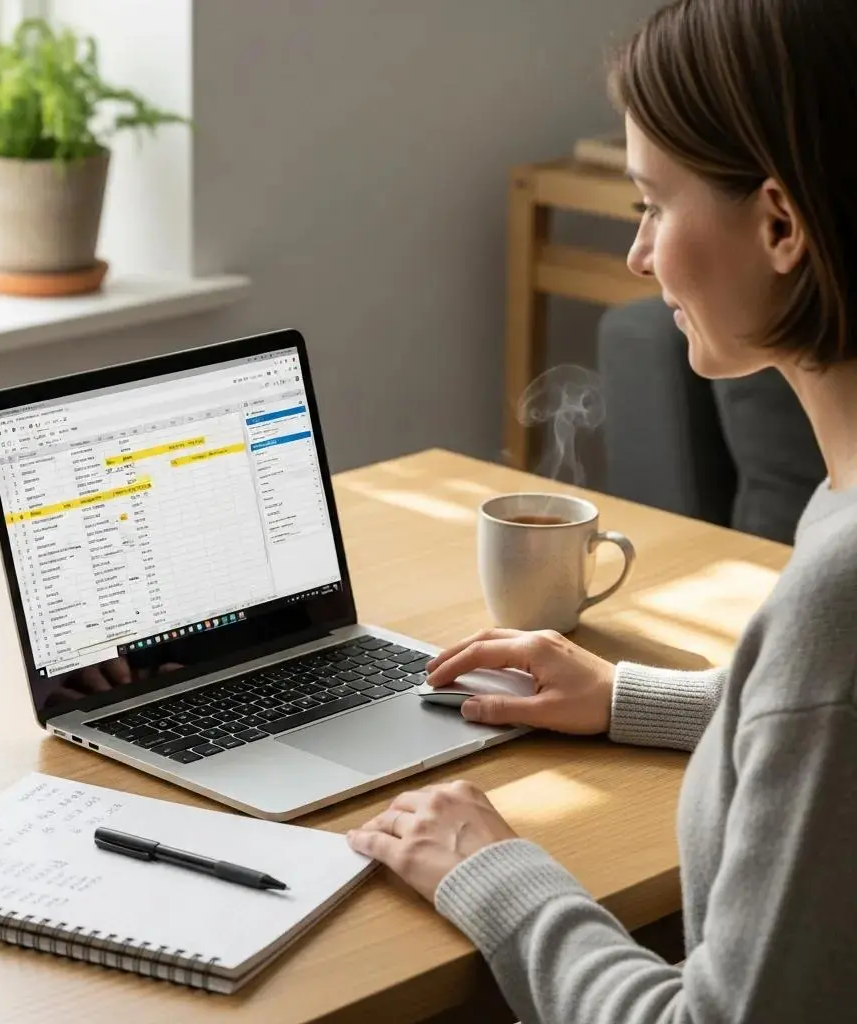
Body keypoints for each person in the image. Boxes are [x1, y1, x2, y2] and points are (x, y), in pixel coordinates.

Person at [346, 1, 857, 1020]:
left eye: (652, 206)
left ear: (779, 223)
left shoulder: (837, 598)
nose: (636, 256)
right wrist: (626, 696)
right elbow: (825, 745)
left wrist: (494, 872)